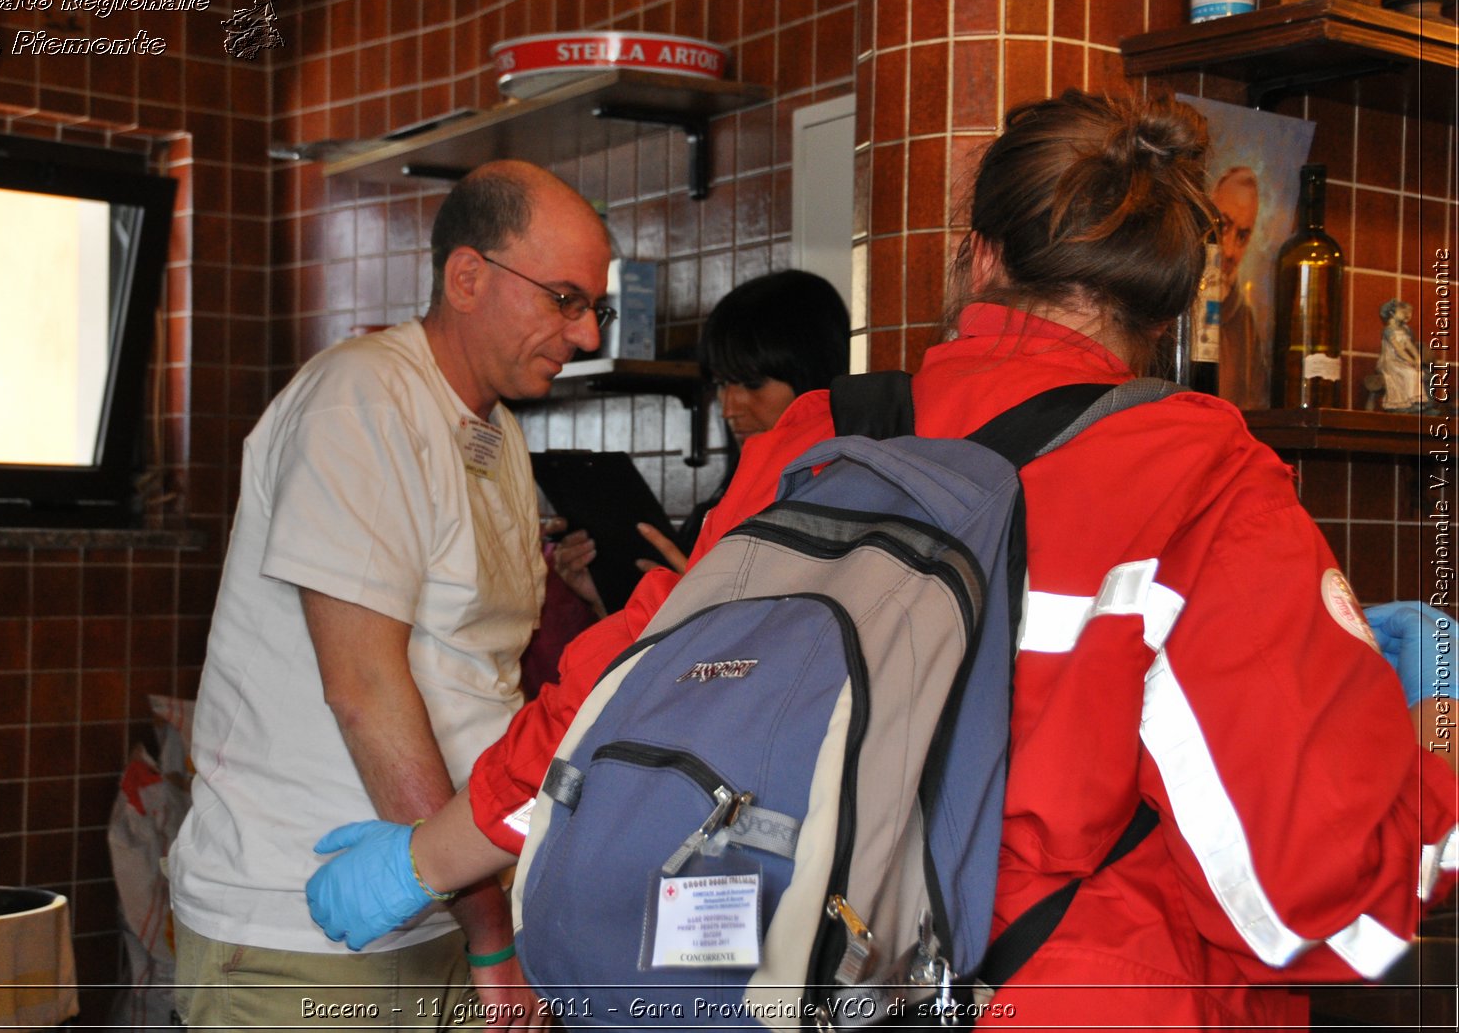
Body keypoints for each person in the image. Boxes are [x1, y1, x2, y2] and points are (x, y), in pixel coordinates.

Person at [305, 92, 1458, 1027]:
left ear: (975, 255)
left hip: (812, 982)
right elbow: (1313, 893)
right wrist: (1429, 739)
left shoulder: (823, 428)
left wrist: (419, 856)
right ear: (1174, 299)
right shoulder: (1199, 471)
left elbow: (622, 674)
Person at [166, 159, 612, 1029]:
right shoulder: (361, 397)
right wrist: (489, 934)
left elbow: (480, 680)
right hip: (301, 930)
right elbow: (364, 689)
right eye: (565, 298)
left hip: (442, 906)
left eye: (596, 306)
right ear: (468, 275)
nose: (587, 333)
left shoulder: (499, 436)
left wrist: (490, 902)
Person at [550, 269, 850, 609]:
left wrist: (698, 606)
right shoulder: (715, 510)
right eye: (721, 384)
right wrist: (605, 595)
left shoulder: (850, 514)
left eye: (752, 384)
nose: (728, 409)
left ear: (815, 376)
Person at [1210, 165, 1267, 408]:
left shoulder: (1245, 321)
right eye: (1223, 226)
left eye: (1242, 236)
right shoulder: (1173, 302)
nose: (1230, 250)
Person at [1377, 298, 1427, 411]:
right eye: (1402, 312)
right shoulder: (1388, 330)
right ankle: (1406, 403)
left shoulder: (1404, 329)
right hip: (1391, 361)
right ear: (1392, 313)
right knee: (1409, 373)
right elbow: (1398, 349)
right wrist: (1411, 361)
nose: (1406, 315)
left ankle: (1416, 402)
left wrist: (1417, 357)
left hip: (1403, 360)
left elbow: (1409, 346)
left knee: (1418, 373)